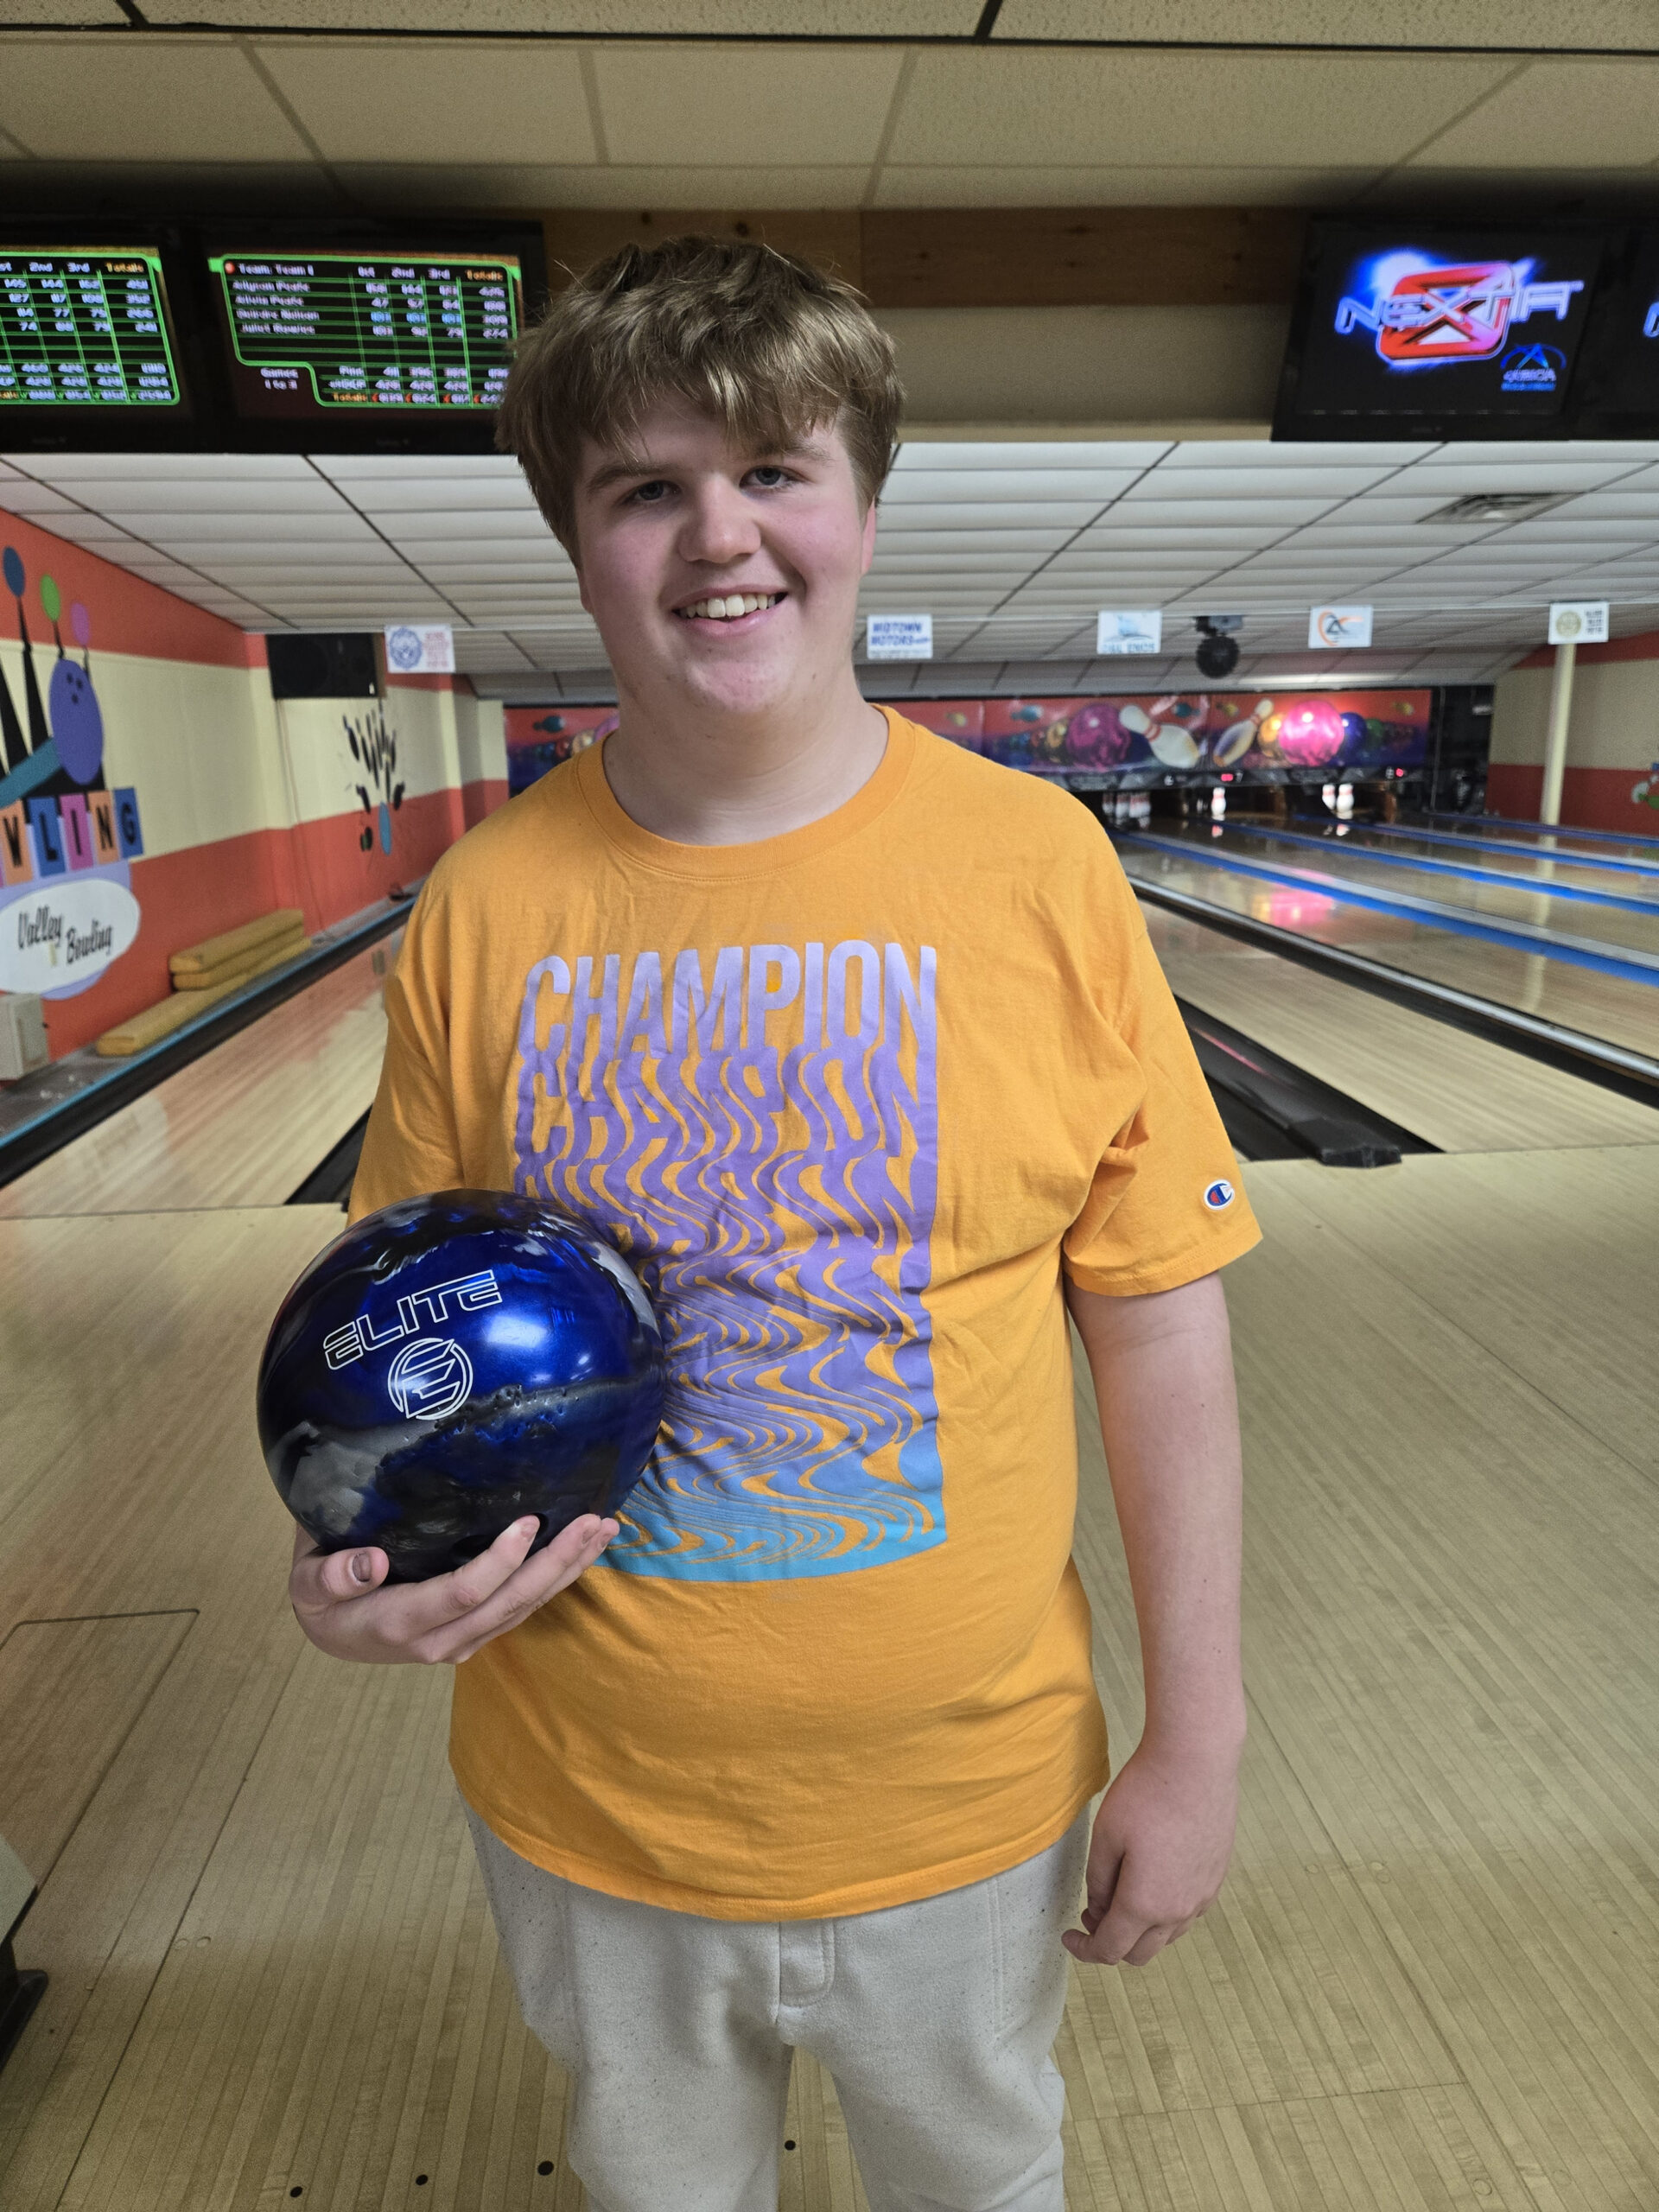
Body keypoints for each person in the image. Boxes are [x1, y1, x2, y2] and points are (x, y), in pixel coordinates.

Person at [288, 236, 1258, 2212]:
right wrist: (345, 1554)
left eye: (772, 471)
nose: (718, 534)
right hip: (591, 1803)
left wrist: (1201, 1731)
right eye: (647, 486)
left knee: (979, 2178)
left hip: (968, 1794)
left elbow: (1158, 1312)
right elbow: (400, 1337)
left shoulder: (1039, 866)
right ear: (580, 544)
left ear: (862, 509)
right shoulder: (486, 907)